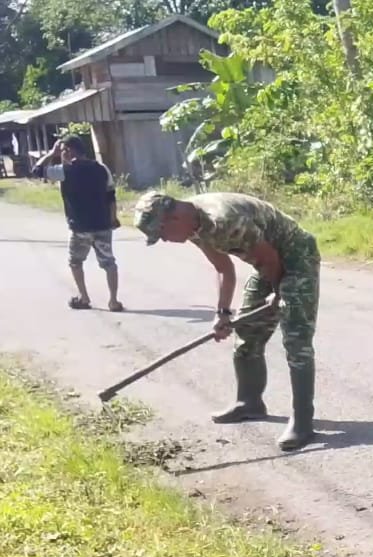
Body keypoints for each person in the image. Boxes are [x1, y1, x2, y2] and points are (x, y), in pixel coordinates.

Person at [133, 192, 320, 451]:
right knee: (246, 333)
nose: (164, 240)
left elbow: (270, 258)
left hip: (297, 257)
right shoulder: (194, 226)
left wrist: (279, 292)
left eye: (162, 233)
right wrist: (222, 313)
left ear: (173, 218)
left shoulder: (223, 221)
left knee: (296, 340)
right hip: (267, 262)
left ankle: (303, 421)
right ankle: (249, 403)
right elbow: (223, 268)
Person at [32, 135, 123, 312]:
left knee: (75, 262)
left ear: (69, 151)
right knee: (109, 263)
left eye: (63, 150)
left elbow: (37, 170)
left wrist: (51, 154)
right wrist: (113, 219)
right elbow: (111, 196)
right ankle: (113, 301)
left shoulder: (65, 171)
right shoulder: (101, 168)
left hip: (80, 227)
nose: (61, 154)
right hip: (103, 225)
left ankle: (84, 297)